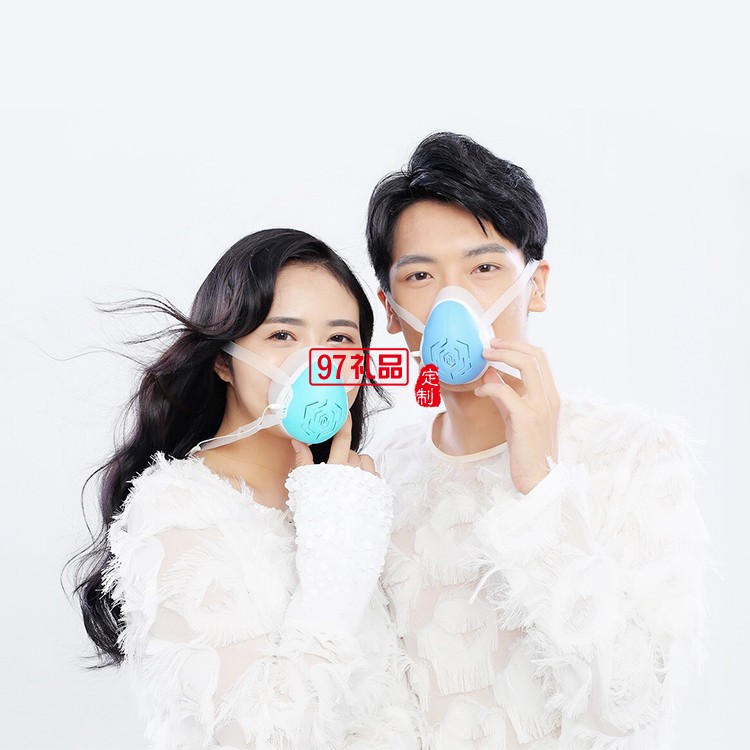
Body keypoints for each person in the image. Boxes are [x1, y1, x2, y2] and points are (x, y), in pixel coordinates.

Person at [365, 132, 711, 749]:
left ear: (537, 284)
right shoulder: (381, 477)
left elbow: (629, 705)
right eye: (420, 275)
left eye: (484, 268)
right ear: (391, 310)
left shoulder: (632, 452)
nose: (453, 300)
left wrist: (543, 488)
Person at [69, 229, 426, 749]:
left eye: (340, 340)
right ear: (224, 360)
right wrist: (340, 556)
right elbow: (259, 737)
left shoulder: (349, 495)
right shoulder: (177, 510)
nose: (317, 363)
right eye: (282, 336)